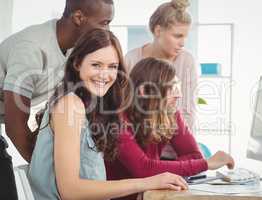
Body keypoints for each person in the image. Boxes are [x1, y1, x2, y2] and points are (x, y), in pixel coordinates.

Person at [28, 29, 188, 200]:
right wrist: (147, 182)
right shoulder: (70, 105)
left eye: (112, 67)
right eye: (96, 65)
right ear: (77, 64)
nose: (105, 75)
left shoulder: (91, 106)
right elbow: (70, 191)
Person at [0, 0, 114, 198]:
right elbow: (15, 127)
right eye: (104, 23)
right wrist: (52, 176)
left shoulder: (74, 50)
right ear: (78, 18)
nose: (108, 30)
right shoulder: (32, 48)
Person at [105, 57, 234, 200]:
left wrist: (157, 169)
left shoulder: (169, 112)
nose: (179, 94)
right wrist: (207, 164)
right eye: (171, 88)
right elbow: (143, 168)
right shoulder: (117, 120)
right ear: (144, 91)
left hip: (152, 195)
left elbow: (193, 155)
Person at [125, 0, 198, 131]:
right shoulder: (131, 59)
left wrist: (183, 145)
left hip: (176, 137)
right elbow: (125, 109)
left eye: (185, 37)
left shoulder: (187, 61)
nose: (183, 43)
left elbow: (188, 110)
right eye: (177, 36)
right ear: (158, 31)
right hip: (140, 137)